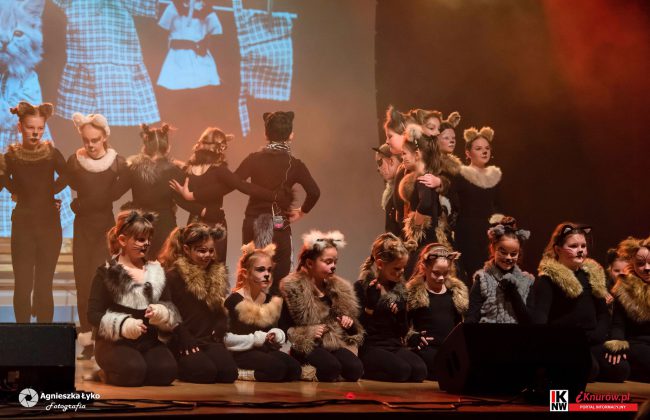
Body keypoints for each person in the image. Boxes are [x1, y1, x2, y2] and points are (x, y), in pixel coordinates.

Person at [170, 126, 290, 263]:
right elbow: (244, 186)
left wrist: (197, 206)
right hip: (215, 224)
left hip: (194, 223)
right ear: (219, 149)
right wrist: (274, 196)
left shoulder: (187, 170)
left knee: (192, 268)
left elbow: (178, 198)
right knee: (216, 268)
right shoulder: (219, 170)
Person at [87, 210, 179, 387]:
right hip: (113, 342)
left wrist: (161, 312)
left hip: (148, 342)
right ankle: (106, 373)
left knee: (166, 372)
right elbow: (93, 314)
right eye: (140, 240)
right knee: (132, 372)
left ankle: (141, 367)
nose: (146, 244)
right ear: (123, 240)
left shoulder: (156, 272)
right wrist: (123, 324)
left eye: (148, 239)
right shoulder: (106, 272)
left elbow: (169, 307)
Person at [233, 111, 320, 294]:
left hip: (253, 223)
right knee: (278, 286)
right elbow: (314, 192)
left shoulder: (253, 159)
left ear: (266, 134)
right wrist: (302, 211)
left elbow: (235, 181)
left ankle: (252, 312)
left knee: (252, 280)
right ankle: (275, 313)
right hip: (278, 225)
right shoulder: (294, 164)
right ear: (291, 135)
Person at [67, 112, 130, 359]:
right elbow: (60, 182)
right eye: (86, 140)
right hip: (82, 228)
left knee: (103, 284)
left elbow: (110, 195)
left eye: (95, 140)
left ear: (104, 137)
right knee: (83, 285)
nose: (90, 145)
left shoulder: (116, 163)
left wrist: (80, 204)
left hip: (104, 229)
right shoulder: (75, 161)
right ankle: (87, 339)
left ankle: (104, 338)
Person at [534, 222, 629, 382]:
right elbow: (540, 318)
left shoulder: (591, 275)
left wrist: (598, 335)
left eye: (583, 246)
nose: (580, 250)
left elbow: (603, 313)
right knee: (590, 369)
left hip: (590, 340)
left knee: (620, 369)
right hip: (566, 342)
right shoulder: (548, 279)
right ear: (558, 249)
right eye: (573, 246)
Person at [3, 101, 67, 323]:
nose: (35, 132)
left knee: (43, 285)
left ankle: (44, 337)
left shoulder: (51, 153)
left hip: (49, 227)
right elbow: (2, 179)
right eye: (31, 127)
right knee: (22, 285)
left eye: (40, 128)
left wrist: (50, 193)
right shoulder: (11, 156)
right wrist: (16, 190)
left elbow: (68, 175)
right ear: (20, 127)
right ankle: (23, 336)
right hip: (23, 227)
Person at [279, 230, 364, 382]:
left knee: (355, 369)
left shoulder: (337, 289)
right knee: (331, 368)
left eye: (335, 262)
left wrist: (349, 323)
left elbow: (351, 330)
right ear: (310, 263)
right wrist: (308, 332)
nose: (333, 266)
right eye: (328, 262)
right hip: (307, 346)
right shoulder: (294, 288)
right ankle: (303, 368)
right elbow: (285, 327)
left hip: (331, 344)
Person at [158, 223, 238, 383]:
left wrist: (220, 325)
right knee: (205, 373)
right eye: (201, 251)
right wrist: (183, 336)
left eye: (211, 250)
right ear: (187, 249)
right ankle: (175, 365)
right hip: (183, 340)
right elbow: (167, 311)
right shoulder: (173, 276)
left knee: (228, 373)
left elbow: (218, 308)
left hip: (206, 340)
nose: (207, 255)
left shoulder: (215, 275)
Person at [224, 242, 301, 382]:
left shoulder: (270, 300)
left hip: (265, 351)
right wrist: (256, 339)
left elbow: (276, 329)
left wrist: (276, 335)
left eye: (269, 270)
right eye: (260, 270)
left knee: (295, 369)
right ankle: (244, 374)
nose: (267, 274)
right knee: (277, 369)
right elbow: (225, 338)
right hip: (241, 352)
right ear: (246, 273)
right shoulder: (234, 301)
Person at [125, 123, 204, 259]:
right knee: (166, 265)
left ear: (145, 145)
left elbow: (115, 191)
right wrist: (204, 211)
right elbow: (189, 193)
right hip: (166, 226)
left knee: (141, 265)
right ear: (167, 147)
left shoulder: (133, 168)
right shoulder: (174, 171)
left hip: (140, 225)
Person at [355, 233, 427, 382]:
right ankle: (365, 370)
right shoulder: (363, 287)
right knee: (402, 371)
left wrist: (401, 314)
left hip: (394, 345)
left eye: (403, 268)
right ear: (380, 264)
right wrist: (370, 307)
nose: (401, 272)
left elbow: (403, 330)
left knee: (420, 371)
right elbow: (357, 330)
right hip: (371, 347)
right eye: (396, 268)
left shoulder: (399, 289)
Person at [406, 242, 467, 380]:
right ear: (424, 267)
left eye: (445, 273)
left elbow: (458, 324)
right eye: (436, 273)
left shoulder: (455, 293)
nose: (441, 278)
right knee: (440, 369)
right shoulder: (413, 293)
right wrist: (413, 337)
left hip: (449, 348)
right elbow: (404, 325)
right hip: (427, 348)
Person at [452, 126, 502, 284]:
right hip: (467, 233)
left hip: (489, 233)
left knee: (492, 277)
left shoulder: (495, 175)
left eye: (487, 148)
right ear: (468, 153)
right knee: (474, 277)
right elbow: (452, 203)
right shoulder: (460, 175)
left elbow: (498, 205)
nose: (484, 151)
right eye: (478, 148)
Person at [465, 215, 534, 324]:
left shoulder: (527, 281)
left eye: (513, 254)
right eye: (503, 252)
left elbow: (530, 321)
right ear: (493, 249)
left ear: (519, 253)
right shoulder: (482, 279)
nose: (508, 257)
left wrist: (513, 292)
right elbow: (471, 318)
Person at [605, 236, 650, 382]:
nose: (647, 268)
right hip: (637, 344)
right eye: (641, 264)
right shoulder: (623, 288)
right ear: (633, 265)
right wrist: (617, 344)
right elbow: (618, 324)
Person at [373, 144, 401, 236]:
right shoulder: (394, 190)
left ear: (391, 161)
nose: (378, 169)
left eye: (380, 162)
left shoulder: (403, 188)